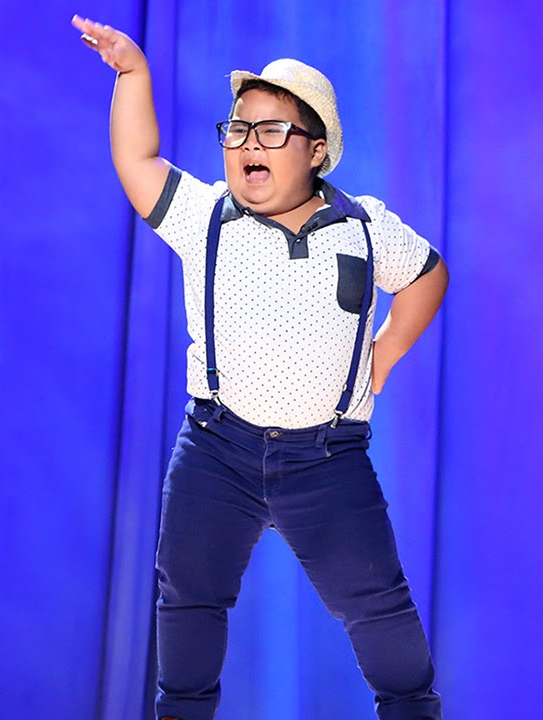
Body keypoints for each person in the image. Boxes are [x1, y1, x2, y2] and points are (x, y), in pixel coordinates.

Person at [72, 14, 449, 720]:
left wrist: (389, 349)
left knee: (379, 609)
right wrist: (133, 75)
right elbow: (138, 161)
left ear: (316, 151)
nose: (250, 144)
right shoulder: (206, 216)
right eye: (239, 130)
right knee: (188, 600)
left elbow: (428, 274)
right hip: (218, 449)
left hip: (327, 458)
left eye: (272, 132)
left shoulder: (363, 227)